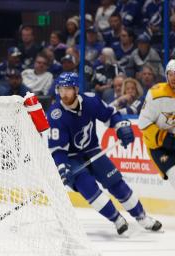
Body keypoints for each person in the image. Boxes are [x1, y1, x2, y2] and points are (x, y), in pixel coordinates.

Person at [47, 72, 162, 235]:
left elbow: (111, 115)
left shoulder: (91, 101)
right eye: (60, 89)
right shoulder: (55, 114)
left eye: (67, 89)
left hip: (93, 150)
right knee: (87, 186)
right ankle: (116, 219)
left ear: (76, 89)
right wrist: (61, 166)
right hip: (71, 158)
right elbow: (58, 149)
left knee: (117, 184)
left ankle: (142, 217)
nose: (63, 94)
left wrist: (121, 126)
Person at [138, 60, 175, 190]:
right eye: (171, 74)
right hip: (158, 146)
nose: (173, 77)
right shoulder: (156, 94)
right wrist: (164, 138)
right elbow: (143, 123)